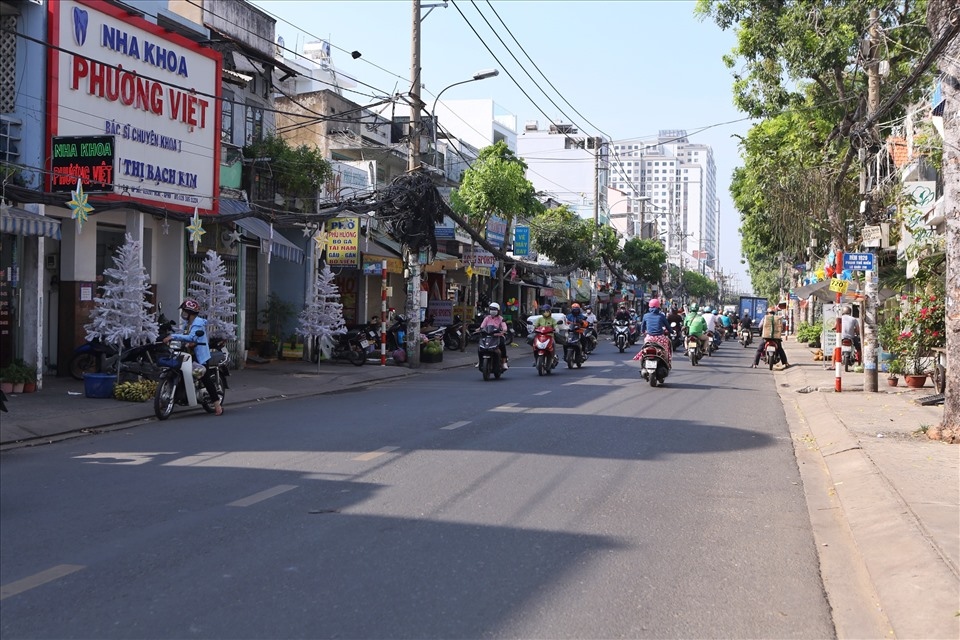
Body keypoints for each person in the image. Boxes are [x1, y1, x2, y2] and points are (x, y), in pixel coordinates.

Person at [163, 299, 223, 416]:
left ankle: (217, 405)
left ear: (190, 312)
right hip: (187, 353)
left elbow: (191, 337)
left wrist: (172, 336)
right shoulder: (187, 324)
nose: (183, 313)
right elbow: (185, 336)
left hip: (200, 356)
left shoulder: (198, 323)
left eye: (184, 311)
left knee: (204, 378)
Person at [636, 298, 671, 363]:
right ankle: (667, 362)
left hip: (649, 338)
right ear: (658, 307)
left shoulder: (645, 316)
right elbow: (667, 326)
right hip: (660, 338)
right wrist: (671, 331)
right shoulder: (661, 316)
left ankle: (643, 362)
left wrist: (643, 332)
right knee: (666, 350)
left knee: (644, 350)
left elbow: (642, 327)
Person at [479, 302, 509, 369]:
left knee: (502, 346)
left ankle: (504, 362)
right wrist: (480, 329)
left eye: (494, 310)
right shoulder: (487, 318)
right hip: (488, 336)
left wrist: (503, 331)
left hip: (498, 336)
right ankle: (480, 362)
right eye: (491, 309)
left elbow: (504, 327)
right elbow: (482, 326)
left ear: (498, 311)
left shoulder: (500, 319)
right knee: (481, 348)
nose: (493, 311)